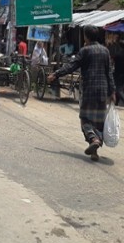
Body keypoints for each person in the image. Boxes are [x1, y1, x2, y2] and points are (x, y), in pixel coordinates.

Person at [47, 25, 116, 161]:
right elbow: (109, 73)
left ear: (86, 36)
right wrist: (112, 91)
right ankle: (95, 151)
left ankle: (93, 139)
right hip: (102, 91)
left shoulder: (85, 51)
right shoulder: (105, 51)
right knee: (98, 122)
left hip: (89, 89)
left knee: (85, 119)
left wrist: (56, 74)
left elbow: (71, 65)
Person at [108, 34, 124, 105]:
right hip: (121, 73)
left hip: (118, 74)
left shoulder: (118, 54)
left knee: (118, 89)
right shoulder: (118, 54)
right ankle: (116, 103)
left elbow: (112, 62)